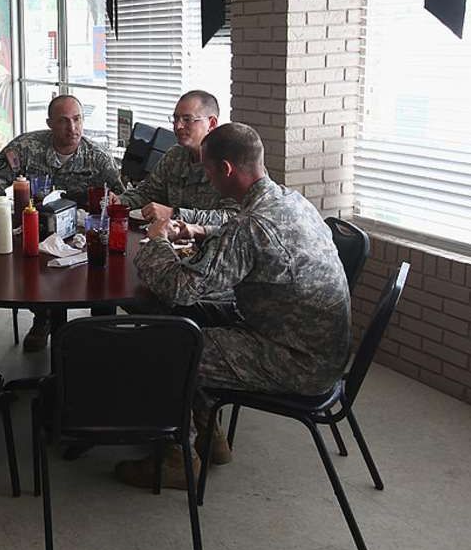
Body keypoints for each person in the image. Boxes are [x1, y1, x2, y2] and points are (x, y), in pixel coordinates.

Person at [115, 123, 351, 490]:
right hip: (309, 342)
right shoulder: (289, 200)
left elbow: (180, 286)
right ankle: (211, 436)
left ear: (225, 170)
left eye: (207, 170)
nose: (206, 178)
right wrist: (199, 230)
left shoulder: (253, 225)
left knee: (172, 346)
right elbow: (242, 233)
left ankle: (178, 460)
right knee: (182, 321)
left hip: (296, 359)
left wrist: (157, 240)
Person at [0, 94, 125, 352]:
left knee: (103, 275)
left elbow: (120, 198)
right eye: (63, 121)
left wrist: (113, 200)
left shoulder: (98, 157)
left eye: (77, 119)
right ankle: (43, 318)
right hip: (33, 229)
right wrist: (8, 206)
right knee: (26, 271)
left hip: (81, 236)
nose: (72, 128)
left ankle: (101, 333)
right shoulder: (26, 147)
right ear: (50, 123)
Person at [114, 90, 239, 229]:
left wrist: (175, 214)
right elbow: (148, 193)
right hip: (172, 243)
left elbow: (233, 218)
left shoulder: (230, 162)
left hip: (213, 245)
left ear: (212, 123)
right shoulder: (175, 155)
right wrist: (120, 201)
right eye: (176, 119)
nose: (178, 126)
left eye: (187, 119)